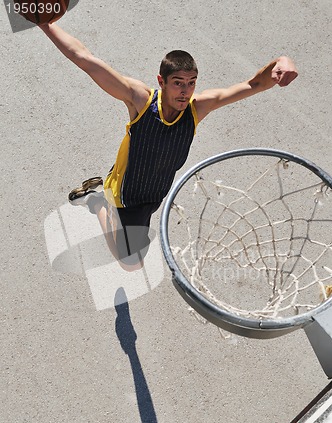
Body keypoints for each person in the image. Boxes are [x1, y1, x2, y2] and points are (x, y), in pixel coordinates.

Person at [39, 23, 298, 271]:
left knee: (131, 258)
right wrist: (46, 26)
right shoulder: (140, 101)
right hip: (125, 195)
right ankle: (98, 203)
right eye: (178, 82)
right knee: (130, 263)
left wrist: (280, 62)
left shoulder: (197, 109)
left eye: (191, 82)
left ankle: (100, 203)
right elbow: (84, 59)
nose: (185, 91)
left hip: (154, 194)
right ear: (161, 81)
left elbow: (253, 84)